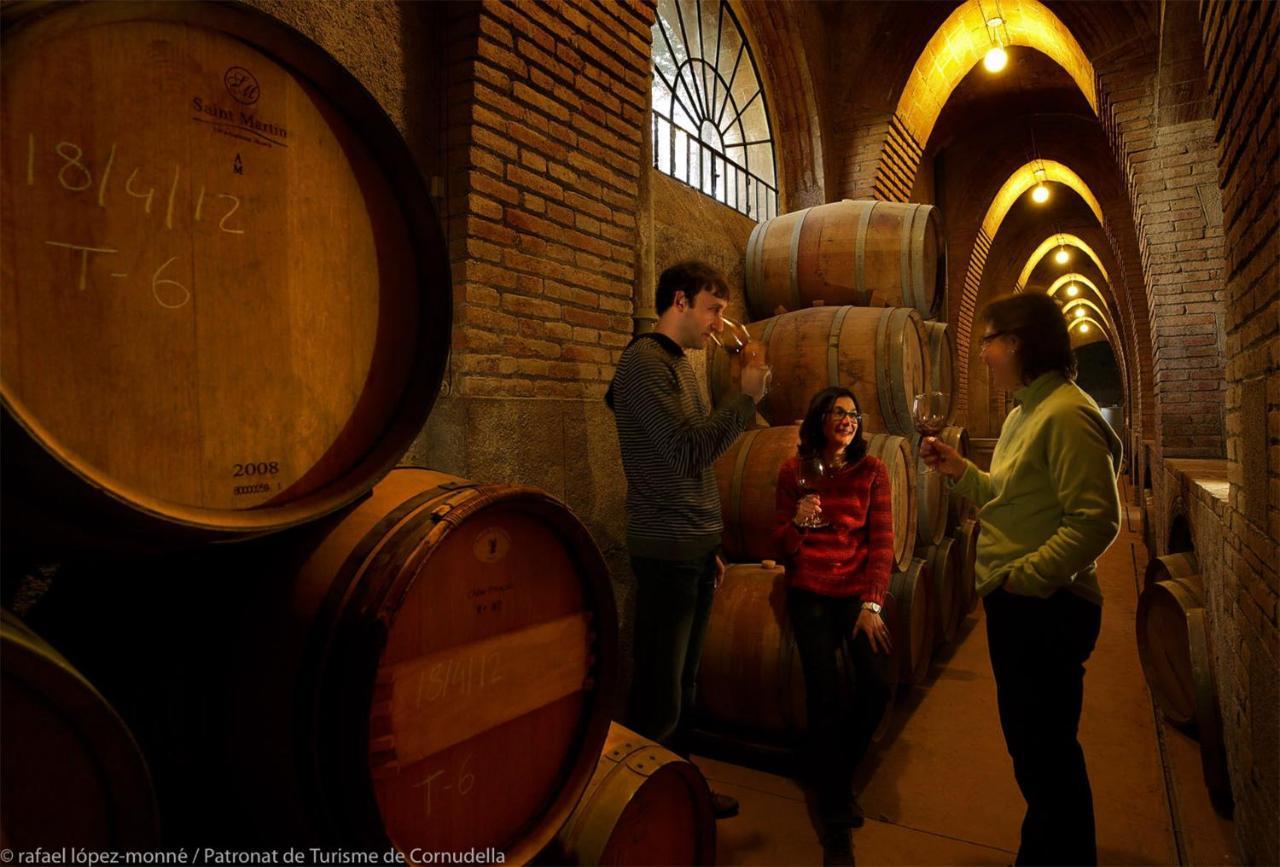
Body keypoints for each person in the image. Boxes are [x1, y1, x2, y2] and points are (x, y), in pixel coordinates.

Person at [921, 292, 1122, 866]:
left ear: (1017, 343)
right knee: (1034, 753)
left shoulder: (1067, 412)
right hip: (1021, 603)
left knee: (1048, 754)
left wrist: (1026, 579)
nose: (982, 354)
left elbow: (1097, 520)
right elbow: (1006, 496)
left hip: (1049, 607)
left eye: (988, 341)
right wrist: (962, 473)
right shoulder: (1024, 412)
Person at [605, 260, 769, 820]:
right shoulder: (645, 364)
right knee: (659, 692)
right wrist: (744, 398)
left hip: (693, 549)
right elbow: (685, 451)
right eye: (713, 310)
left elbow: (695, 468)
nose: (718, 324)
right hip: (665, 550)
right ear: (679, 301)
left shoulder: (681, 364)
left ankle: (680, 791)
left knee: (685, 682)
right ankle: (637, 811)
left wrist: (711, 543)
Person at [774, 386, 894, 866]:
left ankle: (832, 771)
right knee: (824, 694)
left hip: (855, 597)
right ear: (819, 420)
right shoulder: (793, 471)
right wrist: (798, 525)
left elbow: (882, 544)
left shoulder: (873, 472)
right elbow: (780, 544)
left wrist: (873, 604)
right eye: (838, 413)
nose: (847, 420)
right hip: (809, 593)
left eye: (853, 414)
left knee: (876, 686)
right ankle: (836, 817)